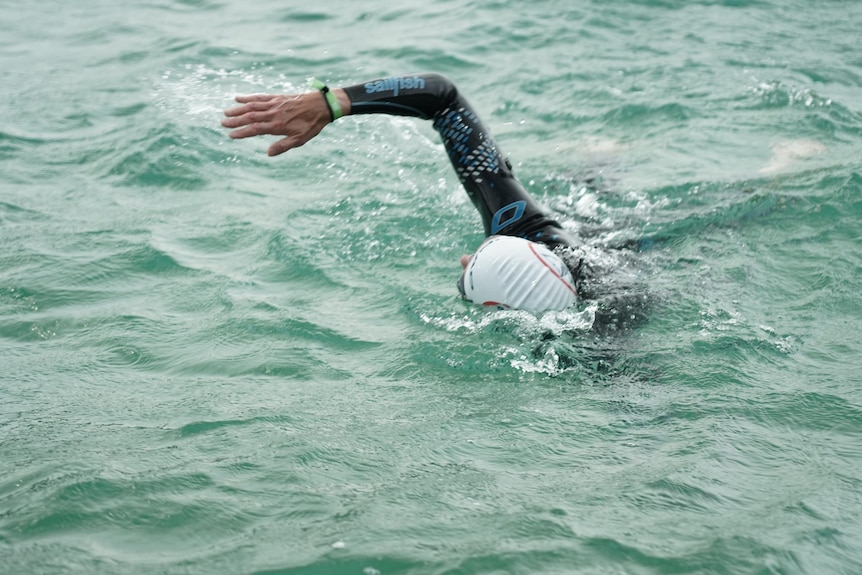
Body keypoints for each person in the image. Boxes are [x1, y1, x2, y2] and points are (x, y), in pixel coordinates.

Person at [222, 73, 583, 313]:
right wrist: (333, 102)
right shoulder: (518, 225)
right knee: (584, 189)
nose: (466, 260)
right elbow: (444, 98)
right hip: (582, 241)